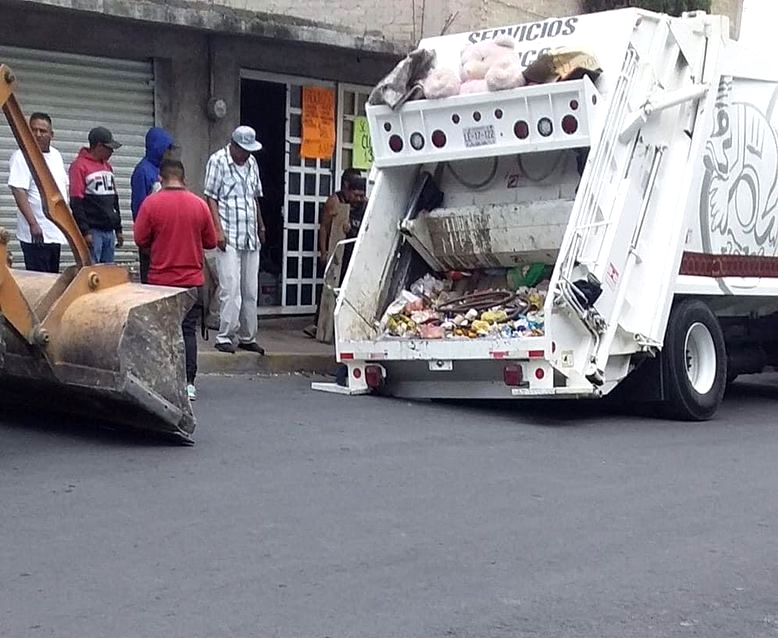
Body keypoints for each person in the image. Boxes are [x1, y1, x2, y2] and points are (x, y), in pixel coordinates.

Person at [133, 159, 217, 402]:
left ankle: (162, 381)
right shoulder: (199, 205)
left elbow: (140, 238)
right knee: (187, 331)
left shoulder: (151, 204)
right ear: (184, 179)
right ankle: (189, 383)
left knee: (162, 332)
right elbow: (211, 242)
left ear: (160, 178)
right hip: (191, 281)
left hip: (160, 281)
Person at [203, 125, 266, 355]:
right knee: (231, 288)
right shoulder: (218, 161)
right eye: (244, 150)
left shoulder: (251, 164)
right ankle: (225, 336)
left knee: (250, 289)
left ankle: (248, 337)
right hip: (229, 235)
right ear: (234, 146)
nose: (247, 154)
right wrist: (218, 231)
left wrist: (260, 224)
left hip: (249, 235)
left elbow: (255, 197)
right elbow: (210, 198)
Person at [303, 169, 367, 338]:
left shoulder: (366, 204)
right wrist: (323, 252)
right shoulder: (334, 201)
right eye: (356, 195)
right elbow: (324, 227)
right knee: (329, 287)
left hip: (355, 252)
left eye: (361, 196)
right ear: (347, 189)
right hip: (338, 251)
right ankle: (321, 325)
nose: (359, 199)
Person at [7, 112, 68, 273]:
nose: (37, 134)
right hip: (36, 235)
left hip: (54, 232)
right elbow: (18, 191)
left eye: (43, 131)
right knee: (40, 281)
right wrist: (33, 224)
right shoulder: (22, 156)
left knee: (52, 278)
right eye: (33, 130)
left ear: (51, 135)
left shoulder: (56, 156)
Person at [68, 126, 123, 264]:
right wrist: (85, 231)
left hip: (109, 230)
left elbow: (114, 200)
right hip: (94, 231)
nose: (112, 151)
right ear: (99, 146)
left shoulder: (108, 167)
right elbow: (76, 201)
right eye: (109, 148)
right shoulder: (79, 166)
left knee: (108, 272)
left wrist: (118, 229)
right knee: (92, 270)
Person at [131, 127, 176, 283]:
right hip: (150, 238)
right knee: (150, 281)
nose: (169, 153)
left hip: (165, 237)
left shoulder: (163, 170)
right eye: (167, 149)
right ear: (158, 147)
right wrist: (144, 238)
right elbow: (138, 207)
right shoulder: (142, 171)